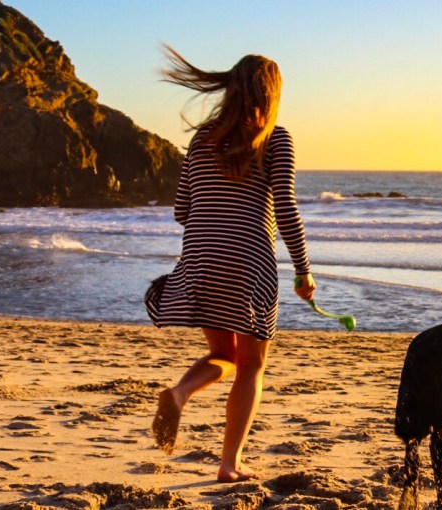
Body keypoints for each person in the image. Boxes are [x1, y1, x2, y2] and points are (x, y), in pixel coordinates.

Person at [145, 45, 316, 483]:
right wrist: (303, 270)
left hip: (200, 259)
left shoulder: (201, 139)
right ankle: (229, 464)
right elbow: (288, 206)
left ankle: (180, 392)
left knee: (224, 354)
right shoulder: (275, 137)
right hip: (249, 263)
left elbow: (182, 210)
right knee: (252, 364)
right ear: (271, 93)